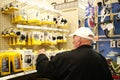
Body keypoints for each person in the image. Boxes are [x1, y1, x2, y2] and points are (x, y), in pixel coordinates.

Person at [36, 27, 113, 80]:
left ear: (78, 40)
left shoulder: (66, 57)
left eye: (74, 38)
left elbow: (44, 70)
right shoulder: (100, 58)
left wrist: (41, 55)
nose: (73, 41)